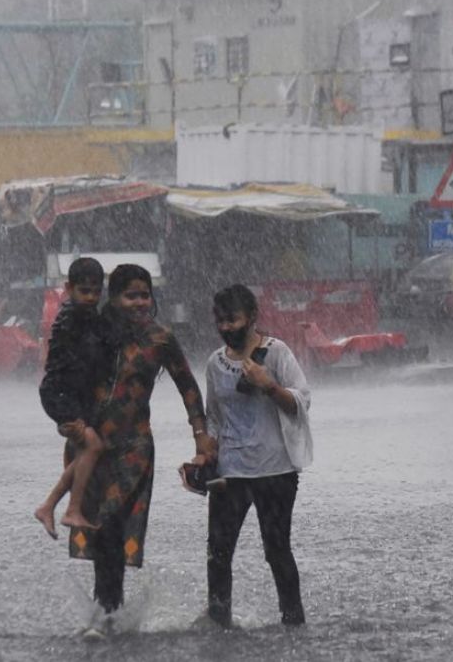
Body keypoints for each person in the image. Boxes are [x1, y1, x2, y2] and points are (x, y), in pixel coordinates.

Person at [70, 263, 215, 637]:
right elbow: (62, 376)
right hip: (92, 448)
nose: (139, 303)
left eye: (144, 295)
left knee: (110, 523)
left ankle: (104, 613)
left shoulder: (160, 338)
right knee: (101, 530)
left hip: (134, 450)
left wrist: (200, 434)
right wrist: (65, 419)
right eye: (130, 295)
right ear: (113, 299)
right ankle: (110, 610)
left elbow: (188, 386)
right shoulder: (96, 333)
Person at [202, 284, 313, 628]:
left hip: (275, 472)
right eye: (220, 321)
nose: (225, 328)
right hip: (230, 472)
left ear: (252, 318)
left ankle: (293, 622)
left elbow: (301, 402)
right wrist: (202, 455)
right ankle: (219, 623)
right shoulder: (215, 363)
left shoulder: (276, 353)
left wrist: (269, 385)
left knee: (276, 550)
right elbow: (213, 418)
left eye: (232, 320)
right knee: (218, 554)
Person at [35, 257, 108, 537]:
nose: (91, 298)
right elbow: (75, 369)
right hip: (60, 394)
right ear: (68, 288)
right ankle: (72, 510)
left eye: (96, 292)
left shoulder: (86, 316)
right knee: (93, 445)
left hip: (68, 394)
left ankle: (48, 506)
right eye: (84, 291)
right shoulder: (72, 318)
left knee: (86, 452)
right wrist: (74, 415)